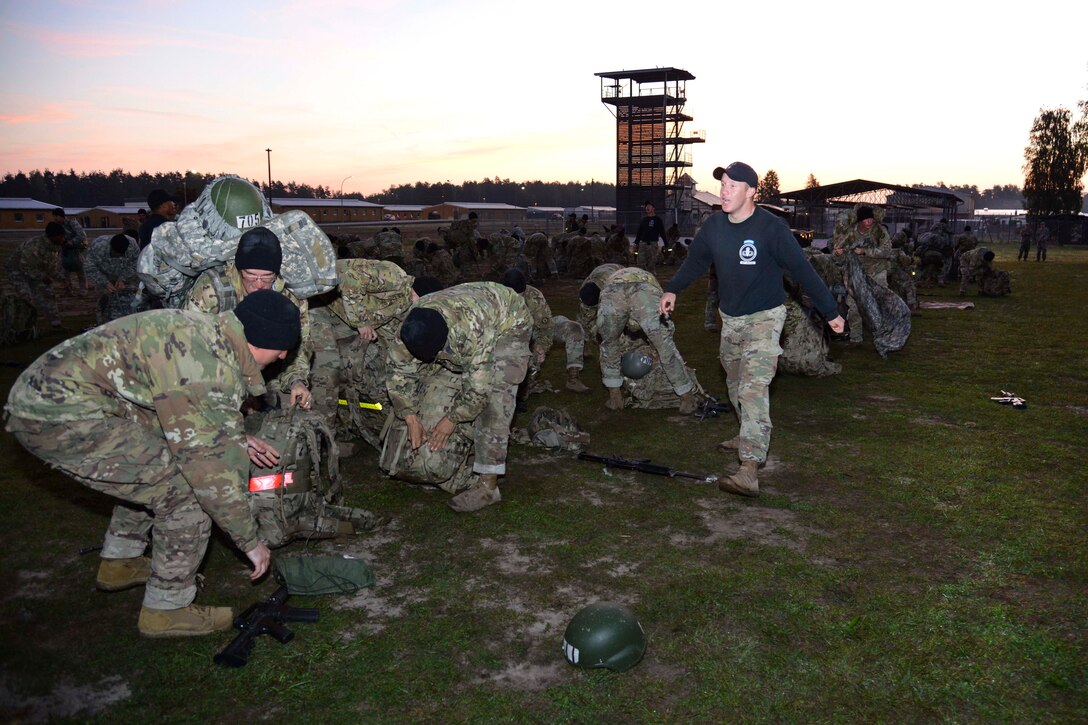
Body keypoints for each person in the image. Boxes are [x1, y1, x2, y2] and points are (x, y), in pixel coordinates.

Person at [5, 289, 301, 637]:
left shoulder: (208, 333)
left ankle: (121, 562)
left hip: (55, 397)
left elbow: (177, 407)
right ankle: (167, 608)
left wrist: (230, 434)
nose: (283, 355)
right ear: (268, 341)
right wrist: (251, 541)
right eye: (283, 347)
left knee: (150, 466)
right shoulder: (209, 367)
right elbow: (210, 475)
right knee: (185, 493)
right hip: (61, 416)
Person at [659, 161, 845, 497]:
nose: (724, 191)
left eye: (732, 186)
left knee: (753, 388)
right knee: (733, 382)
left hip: (766, 317)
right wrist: (672, 289)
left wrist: (830, 310)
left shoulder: (771, 230)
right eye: (723, 184)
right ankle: (746, 431)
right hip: (730, 318)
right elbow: (696, 262)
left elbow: (802, 270)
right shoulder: (714, 226)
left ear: (751, 192)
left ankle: (749, 466)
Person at [387, 282, 532, 512]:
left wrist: (451, 420)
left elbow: (478, 390)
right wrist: (410, 416)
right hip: (465, 310)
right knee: (436, 378)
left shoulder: (472, 331)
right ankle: (457, 450)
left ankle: (488, 487)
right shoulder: (408, 329)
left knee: (496, 398)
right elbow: (398, 374)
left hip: (509, 321)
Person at [184, 226, 314, 409]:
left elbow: (298, 348)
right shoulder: (211, 292)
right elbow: (191, 347)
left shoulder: (289, 300)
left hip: (268, 369)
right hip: (215, 371)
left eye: (267, 277)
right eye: (251, 275)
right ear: (239, 269)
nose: (259, 284)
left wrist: (297, 381)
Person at [597, 266, 700, 413]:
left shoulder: (612, 278)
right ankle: (687, 398)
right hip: (643, 289)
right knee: (664, 345)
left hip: (612, 291)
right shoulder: (646, 279)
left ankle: (615, 398)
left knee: (609, 343)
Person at [501, 268, 590, 395]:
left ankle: (573, 378)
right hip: (511, 339)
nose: (518, 299)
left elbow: (546, 328)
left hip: (535, 331)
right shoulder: (494, 299)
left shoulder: (534, 296)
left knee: (574, 329)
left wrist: (541, 346)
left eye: (521, 295)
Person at [831, 205, 896, 343]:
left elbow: (887, 251)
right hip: (857, 275)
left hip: (877, 272)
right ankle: (856, 338)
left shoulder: (879, 231)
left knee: (880, 304)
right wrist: (838, 253)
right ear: (860, 221)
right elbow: (837, 254)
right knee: (854, 305)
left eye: (870, 219)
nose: (869, 222)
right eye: (866, 220)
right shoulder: (851, 233)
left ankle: (884, 337)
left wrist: (865, 251)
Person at [5, 221, 66, 328]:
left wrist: (63, 280)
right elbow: (26, 267)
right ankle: (21, 328)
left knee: (48, 294)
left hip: (35, 272)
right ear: (51, 236)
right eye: (60, 236)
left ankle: (56, 325)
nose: (63, 239)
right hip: (18, 271)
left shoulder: (53, 249)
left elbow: (50, 269)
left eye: (63, 236)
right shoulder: (33, 246)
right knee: (26, 297)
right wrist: (43, 277)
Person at [85, 231, 143, 324]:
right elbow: (90, 267)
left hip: (123, 274)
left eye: (122, 254)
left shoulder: (132, 245)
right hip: (103, 275)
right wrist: (105, 282)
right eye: (117, 254)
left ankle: (126, 320)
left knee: (128, 297)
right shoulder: (98, 246)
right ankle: (102, 323)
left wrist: (123, 278)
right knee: (104, 299)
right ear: (111, 248)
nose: (120, 256)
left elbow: (135, 264)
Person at [53, 207, 88, 295]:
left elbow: (82, 235)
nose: (55, 218)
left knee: (80, 271)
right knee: (64, 272)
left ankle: (83, 290)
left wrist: (72, 242)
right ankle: (68, 290)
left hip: (75, 250)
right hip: (64, 251)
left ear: (61, 216)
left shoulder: (72, 223)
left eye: (56, 216)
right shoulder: (56, 226)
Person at [633, 201, 668, 273]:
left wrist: (666, 243)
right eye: (646, 206)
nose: (647, 207)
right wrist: (636, 242)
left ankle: (651, 278)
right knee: (640, 262)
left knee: (651, 263)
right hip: (643, 243)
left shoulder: (657, 220)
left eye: (649, 206)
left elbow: (662, 232)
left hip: (652, 244)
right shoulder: (644, 220)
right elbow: (639, 231)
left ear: (653, 208)